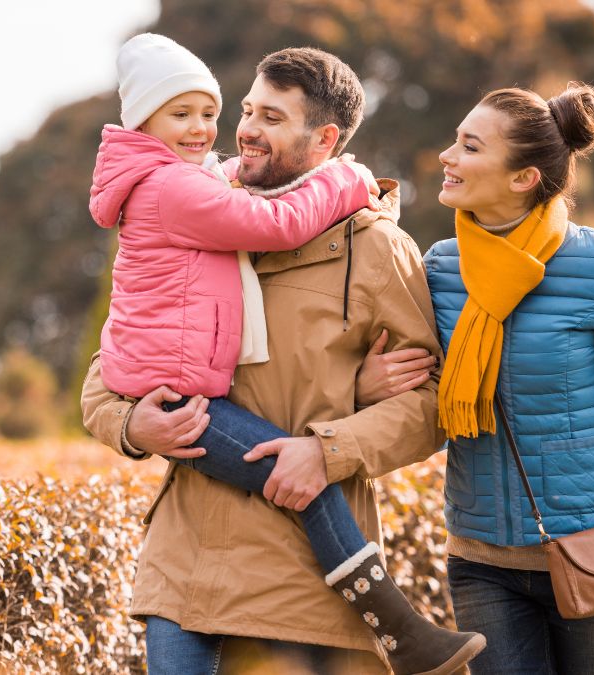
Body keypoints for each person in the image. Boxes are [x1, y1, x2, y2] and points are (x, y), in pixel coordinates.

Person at [89, 33, 484, 675]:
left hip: (302, 587)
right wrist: (132, 424)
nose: (243, 130)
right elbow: (114, 365)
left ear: (326, 142)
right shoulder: (198, 210)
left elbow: (434, 403)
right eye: (246, 110)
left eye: (271, 119)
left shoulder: (377, 249)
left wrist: (332, 445)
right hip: (183, 569)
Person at [357, 82, 594, 673]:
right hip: (482, 559)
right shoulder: (437, 269)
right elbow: (420, 389)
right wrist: (368, 382)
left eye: (470, 147)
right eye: (455, 142)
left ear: (523, 177)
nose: (446, 158)